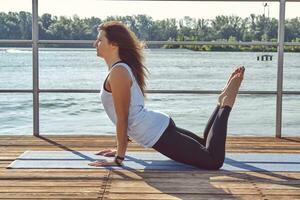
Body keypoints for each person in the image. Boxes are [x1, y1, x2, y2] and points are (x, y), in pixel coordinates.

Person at [88, 21, 245, 170]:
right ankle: (220, 103)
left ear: (114, 44)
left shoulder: (118, 72)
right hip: (156, 125)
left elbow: (123, 118)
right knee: (206, 144)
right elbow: (125, 115)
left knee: (213, 160)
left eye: (100, 40)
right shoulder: (119, 69)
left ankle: (225, 105)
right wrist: (118, 148)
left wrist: (118, 159)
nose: (95, 44)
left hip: (155, 132)